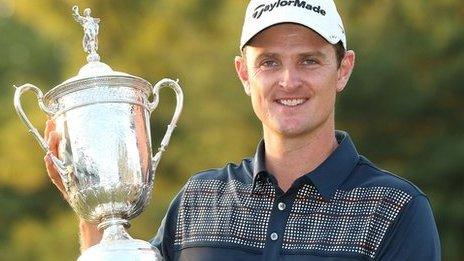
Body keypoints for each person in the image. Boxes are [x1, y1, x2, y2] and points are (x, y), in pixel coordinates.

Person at [45, 0, 441, 260]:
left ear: (343, 69)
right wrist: (94, 211)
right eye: (269, 62)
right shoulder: (197, 203)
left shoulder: (396, 210)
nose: (288, 81)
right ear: (243, 74)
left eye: (309, 61)